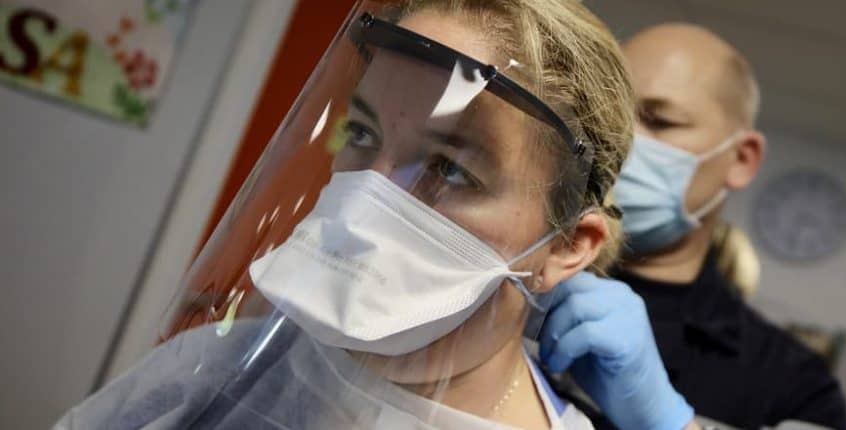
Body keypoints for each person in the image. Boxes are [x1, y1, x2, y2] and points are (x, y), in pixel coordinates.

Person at [53, 1, 639, 428]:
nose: (365, 201)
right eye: (362, 133)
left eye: (449, 168)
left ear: (569, 245)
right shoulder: (217, 367)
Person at [540, 24, 846, 430]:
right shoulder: (527, 269)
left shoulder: (796, 387)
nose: (622, 140)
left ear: (741, 159)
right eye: (612, 113)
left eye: (659, 120)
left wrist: (666, 419)